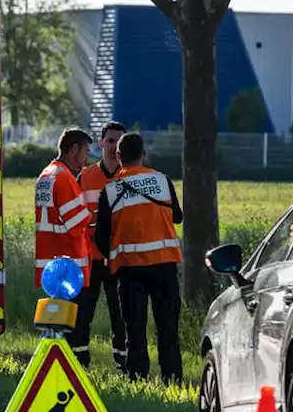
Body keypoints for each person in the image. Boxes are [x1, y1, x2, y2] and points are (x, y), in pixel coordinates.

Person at [94, 132, 184, 385]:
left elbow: (100, 236)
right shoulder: (162, 180)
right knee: (168, 330)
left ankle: (138, 380)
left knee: (134, 331)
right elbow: (177, 216)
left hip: (130, 269)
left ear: (119, 156)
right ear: (144, 155)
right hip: (165, 265)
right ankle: (173, 380)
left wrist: (114, 255)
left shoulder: (111, 190)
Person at [34, 127, 93, 360]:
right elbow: (77, 223)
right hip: (70, 265)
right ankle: (75, 369)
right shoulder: (65, 177)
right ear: (74, 149)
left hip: (51, 265)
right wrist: (95, 216)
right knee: (74, 328)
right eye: (86, 151)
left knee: (56, 325)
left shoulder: (46, 174)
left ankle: (54, 363)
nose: (87, 158)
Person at [75, 121, 127, 371]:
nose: (114, 146)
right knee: (84, 311)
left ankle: (123, 362)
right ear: (101, 143)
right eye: (110, 141)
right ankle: (80, 362)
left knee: (122, 314)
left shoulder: (131, 176)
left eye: (119, 141)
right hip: (91, 257)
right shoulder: (84, 177)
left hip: (120, 257)